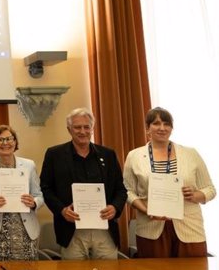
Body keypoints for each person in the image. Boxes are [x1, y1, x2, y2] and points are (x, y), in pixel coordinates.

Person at [123, 107, 216, 258]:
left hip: (189, 227)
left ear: (172, 128)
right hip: (150, 228)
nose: (162, 128)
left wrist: (195, 195)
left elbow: (210, 189)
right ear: (148, 128)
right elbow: (127, 191)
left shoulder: (191, 154)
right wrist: (146, 209)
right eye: (156, 123)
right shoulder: (134, 156)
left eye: (167, 124)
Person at [40, 108, 127, 260]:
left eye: (86, 127)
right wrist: (61, 210)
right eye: (77, 127)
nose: (82, 131)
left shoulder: (108, 155)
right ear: (69, 129)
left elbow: (121, 190)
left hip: (104, 229)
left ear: (92, 129)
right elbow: (46, 188)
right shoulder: (55, 155)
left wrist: (115, 207)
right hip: (71, 231)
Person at [0, 124, 43, 261]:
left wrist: (34, 202)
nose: (5, 143)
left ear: (15, 142)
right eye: (0, 140)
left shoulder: (29, 165)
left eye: (9, 139)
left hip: (25, 231)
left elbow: (39, 195)